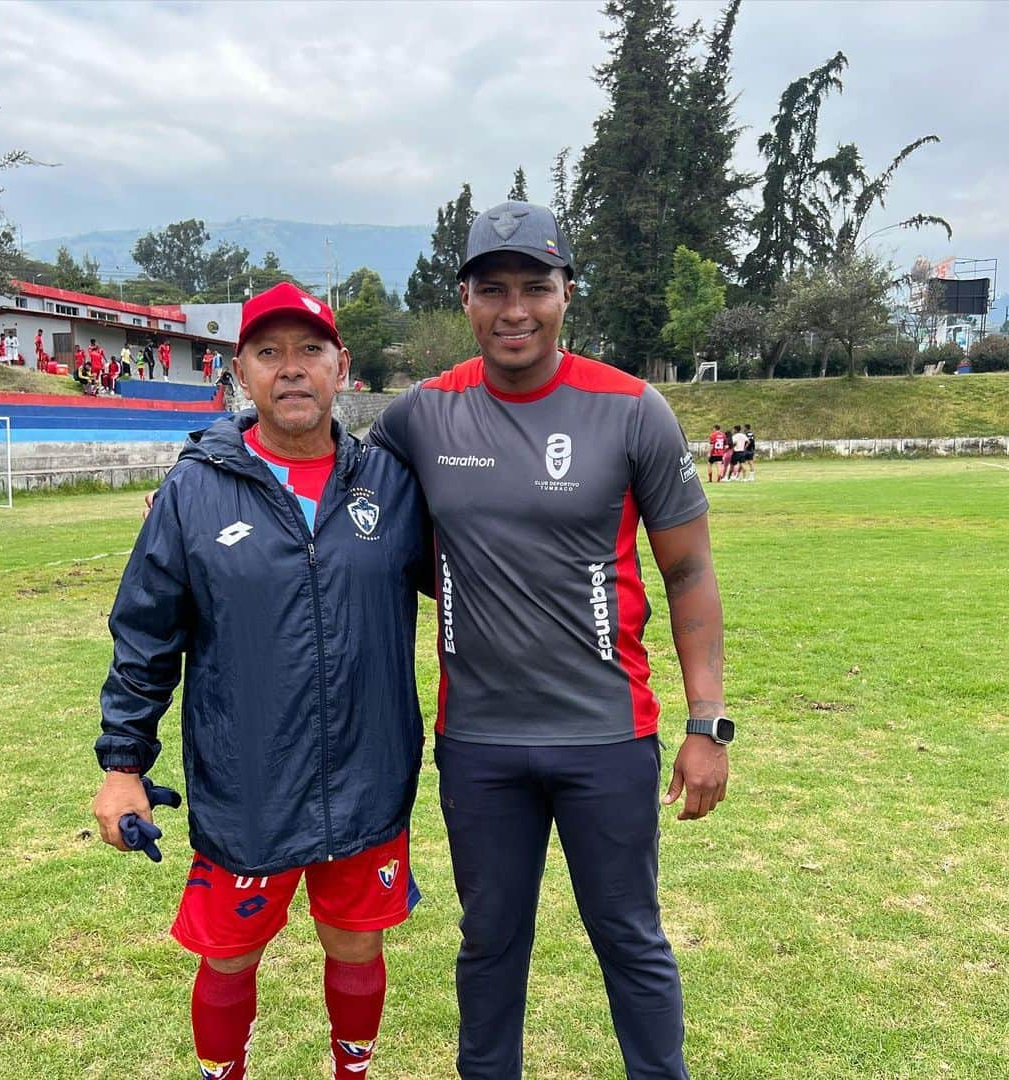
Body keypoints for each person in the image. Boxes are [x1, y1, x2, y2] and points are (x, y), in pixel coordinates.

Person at [368, 201, 729, 1079]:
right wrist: (202, 471)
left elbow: (688, 573)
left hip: (607, 734)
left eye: (537, 285)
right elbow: (326, 475)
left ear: (568, 292)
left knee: (628, 937)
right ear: (465, 298)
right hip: (480, 742)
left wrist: (707, 721)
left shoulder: (632, 409)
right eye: (493, 289)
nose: (515, 308)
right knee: (489, 944)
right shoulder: (422, 414)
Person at [94, 282, 430, 1080]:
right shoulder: (192, 489)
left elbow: (474, 584)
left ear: (340, 366)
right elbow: (145, 634)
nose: (291, 370)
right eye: (269, 352)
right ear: (239, 370)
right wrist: (121, 768)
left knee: (357, 944)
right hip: (246, 784)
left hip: (366, 778)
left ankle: (353, 1071)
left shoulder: (391, 485)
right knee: (229, 956)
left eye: (310, 350)